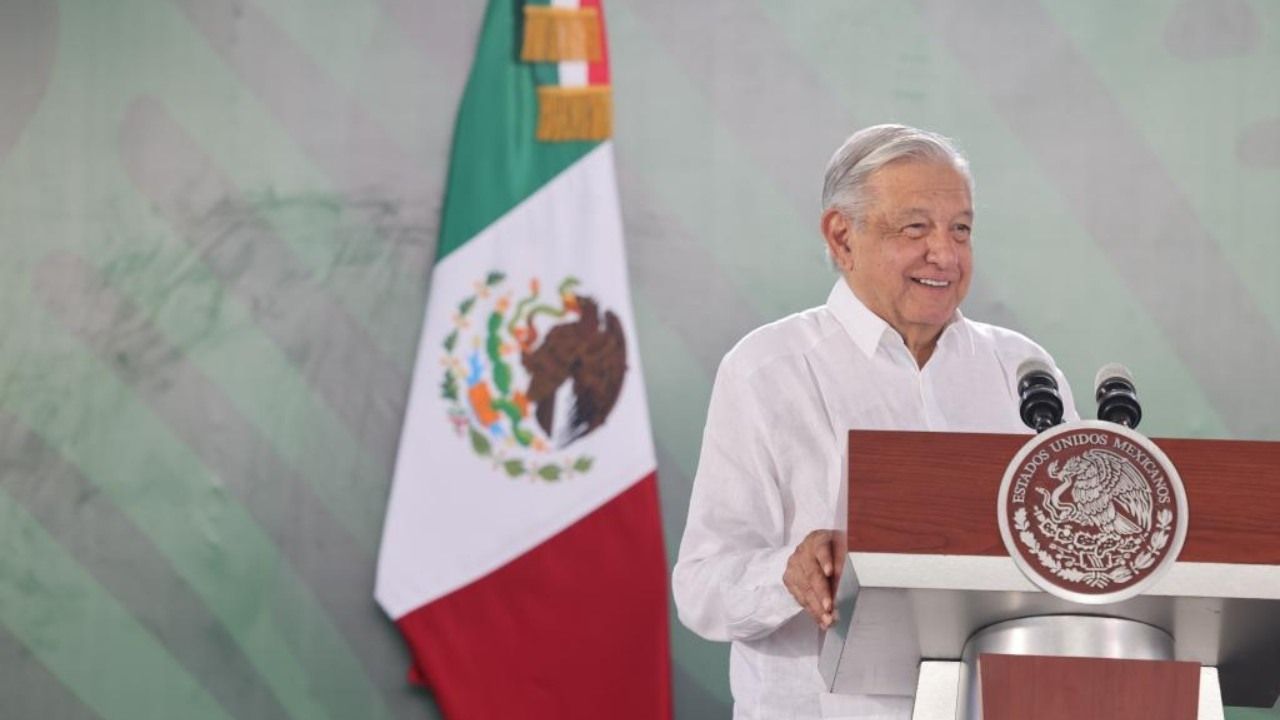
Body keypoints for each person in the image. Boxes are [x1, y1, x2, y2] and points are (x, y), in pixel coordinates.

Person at [671, 124, 1079, 720]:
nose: (945, 253)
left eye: (960, 229)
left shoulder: (1021, 369)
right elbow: (702, 590)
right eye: (915, 228)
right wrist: (788, 574)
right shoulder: (768, 370)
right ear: (842, 237)